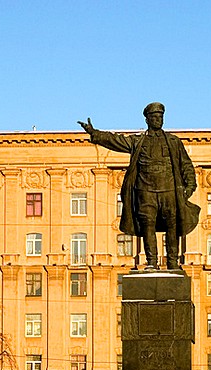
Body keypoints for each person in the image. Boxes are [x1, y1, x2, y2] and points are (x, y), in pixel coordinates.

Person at [79, 103, 199, 270]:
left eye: (160, 117)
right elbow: (116, 140)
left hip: (169, 190)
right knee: (147, 225)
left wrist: (190, 186)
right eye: (154, 117)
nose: (158, 120)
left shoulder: (173, 141)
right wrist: (95, 133)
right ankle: (151, 263)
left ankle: (172, 263)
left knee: (173, 226)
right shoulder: (138, 141)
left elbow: (186, 165)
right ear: (147, 119)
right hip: (145, 190)